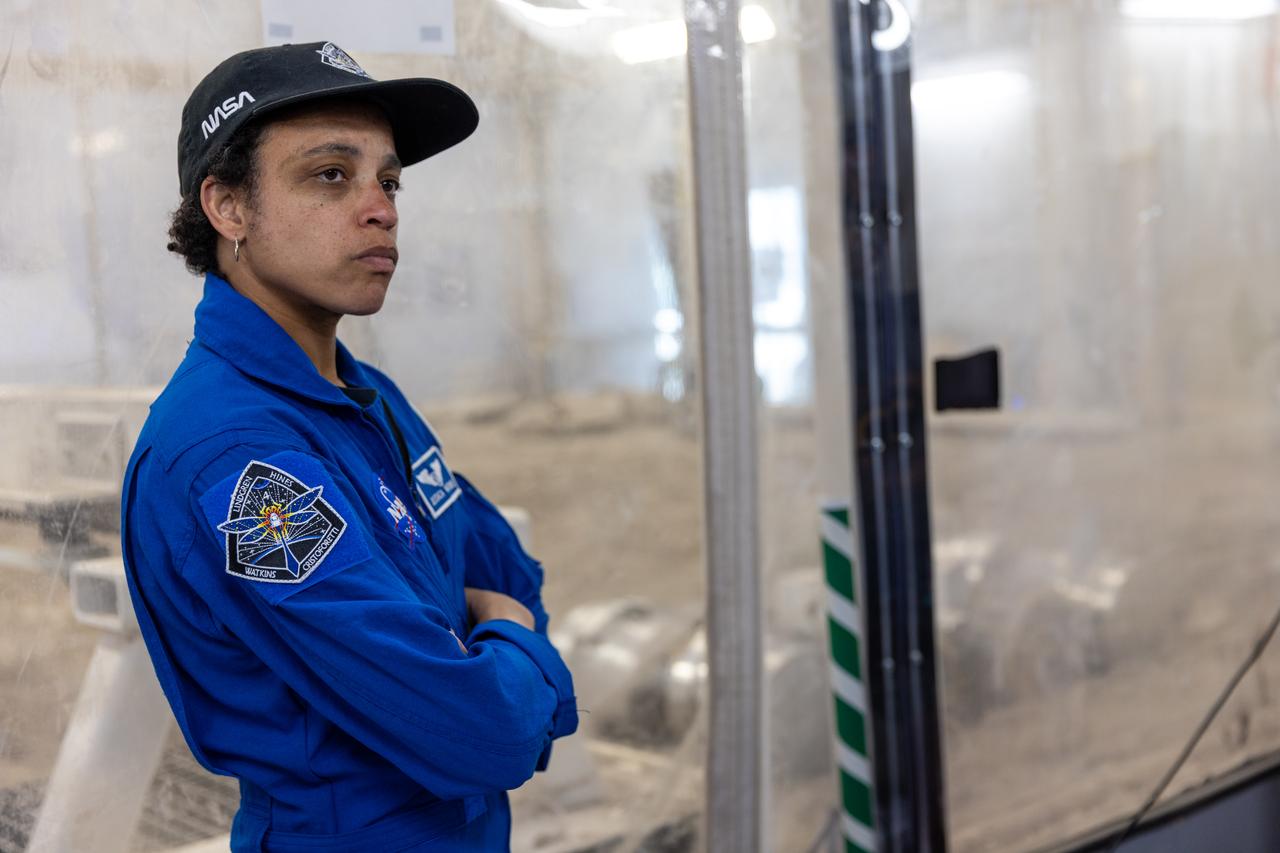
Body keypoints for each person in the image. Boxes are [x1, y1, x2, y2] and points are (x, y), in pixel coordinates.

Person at [120, 42, 578, 851]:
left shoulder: (359, 394)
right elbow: (484, 730)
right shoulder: (235, 460)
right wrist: (505, 638)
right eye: (331, 174)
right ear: (228, 207)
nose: (382, 207)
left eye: (389, 180)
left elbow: (504, 571)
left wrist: (489, 632)